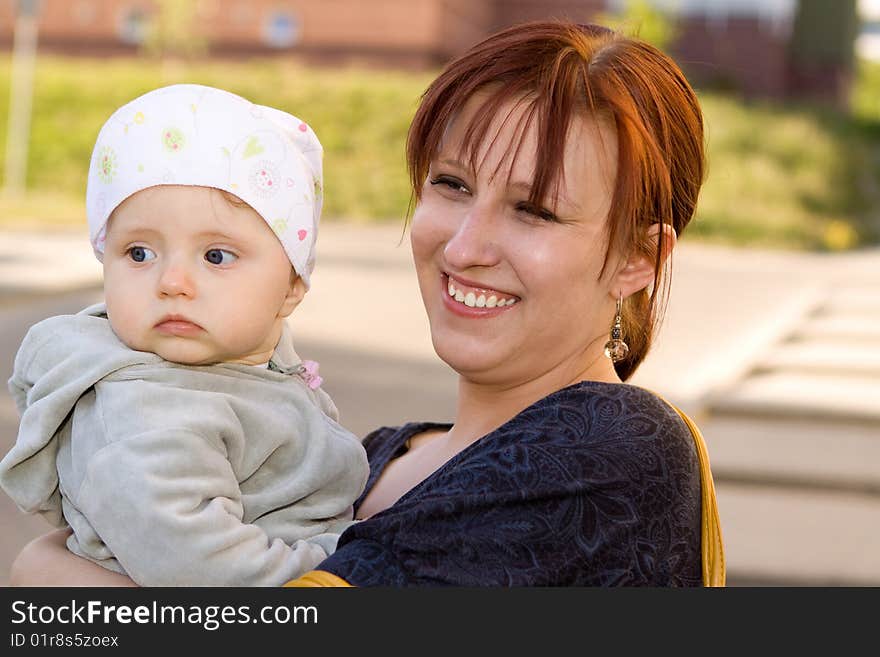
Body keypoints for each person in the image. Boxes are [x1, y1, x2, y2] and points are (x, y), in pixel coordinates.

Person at [11, 21, 724, 587]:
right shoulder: (375, 456)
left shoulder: (617, 448)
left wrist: (46, 574)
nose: (466, 245)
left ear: (639, 257)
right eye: (450, 184)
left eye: (533, 210)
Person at [0, 84, 370, 586]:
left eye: (216, 256)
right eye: (139, 254)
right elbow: (202, 571)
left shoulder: (254, 370)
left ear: (291, 288)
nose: (172, 282)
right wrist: (345, 566)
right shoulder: (144, 413)